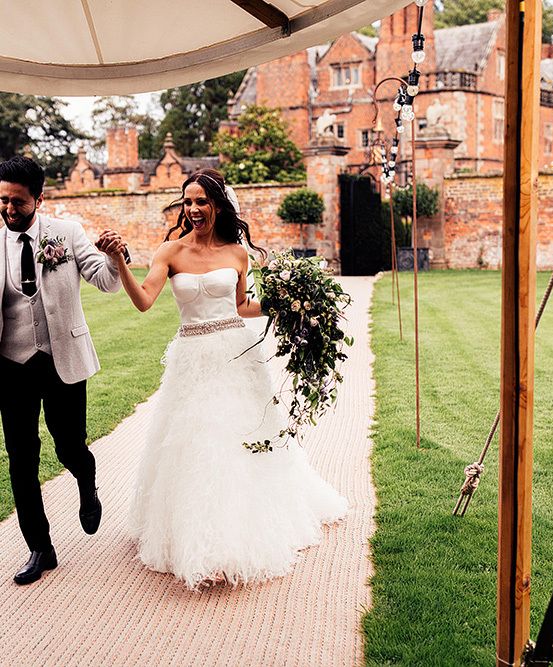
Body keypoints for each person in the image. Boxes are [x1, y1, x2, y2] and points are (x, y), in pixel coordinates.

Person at [102, 169, 346, 589]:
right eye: (187, 202)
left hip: (235, 355)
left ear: (217, 205)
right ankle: (195, 538)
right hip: (191, 361)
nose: (193, 210)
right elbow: (144, 301)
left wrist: (286, 303)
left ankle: (233, 537)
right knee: (195, 445)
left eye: (201, 201)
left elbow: (242, 306)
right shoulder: (169, 251)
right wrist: (119, 261)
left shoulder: (237, 253)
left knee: (234, 442)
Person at [0, 156, 122, 585]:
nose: (9, 210)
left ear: (39, 197)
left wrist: (114, 257)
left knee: (69, 446)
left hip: (61, 361)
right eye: (3, 201)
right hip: (10, 366)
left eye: (17, 201)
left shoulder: (66, 233)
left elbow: (106, 280)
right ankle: (40, 547)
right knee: (21, 458)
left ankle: (86, 482)